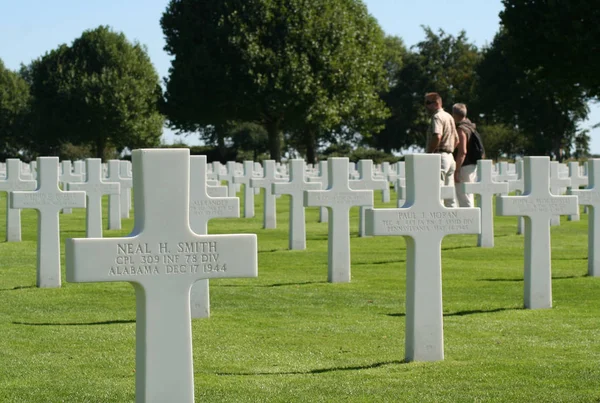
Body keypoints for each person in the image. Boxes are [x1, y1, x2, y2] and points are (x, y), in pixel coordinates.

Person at [425, 92, 458, 207]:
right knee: (449, 194)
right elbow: (456, 140)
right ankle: (453, 222)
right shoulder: (449, 116)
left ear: (437, 103)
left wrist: (429, 153)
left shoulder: (436, 117)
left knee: (437, 191)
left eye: (428, 103)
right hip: (450, 157)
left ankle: (438, 222)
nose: (426, 106)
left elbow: (437, 136)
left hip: (439, 156)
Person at [452, 103, 477, 207]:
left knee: (464, 197)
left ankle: (469, 221)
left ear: (454, 114)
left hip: (464, 166)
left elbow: (463, 151)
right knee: (468, 195)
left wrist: (456, 171)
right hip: (471, 166)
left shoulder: (461, 129)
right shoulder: (471, 126)